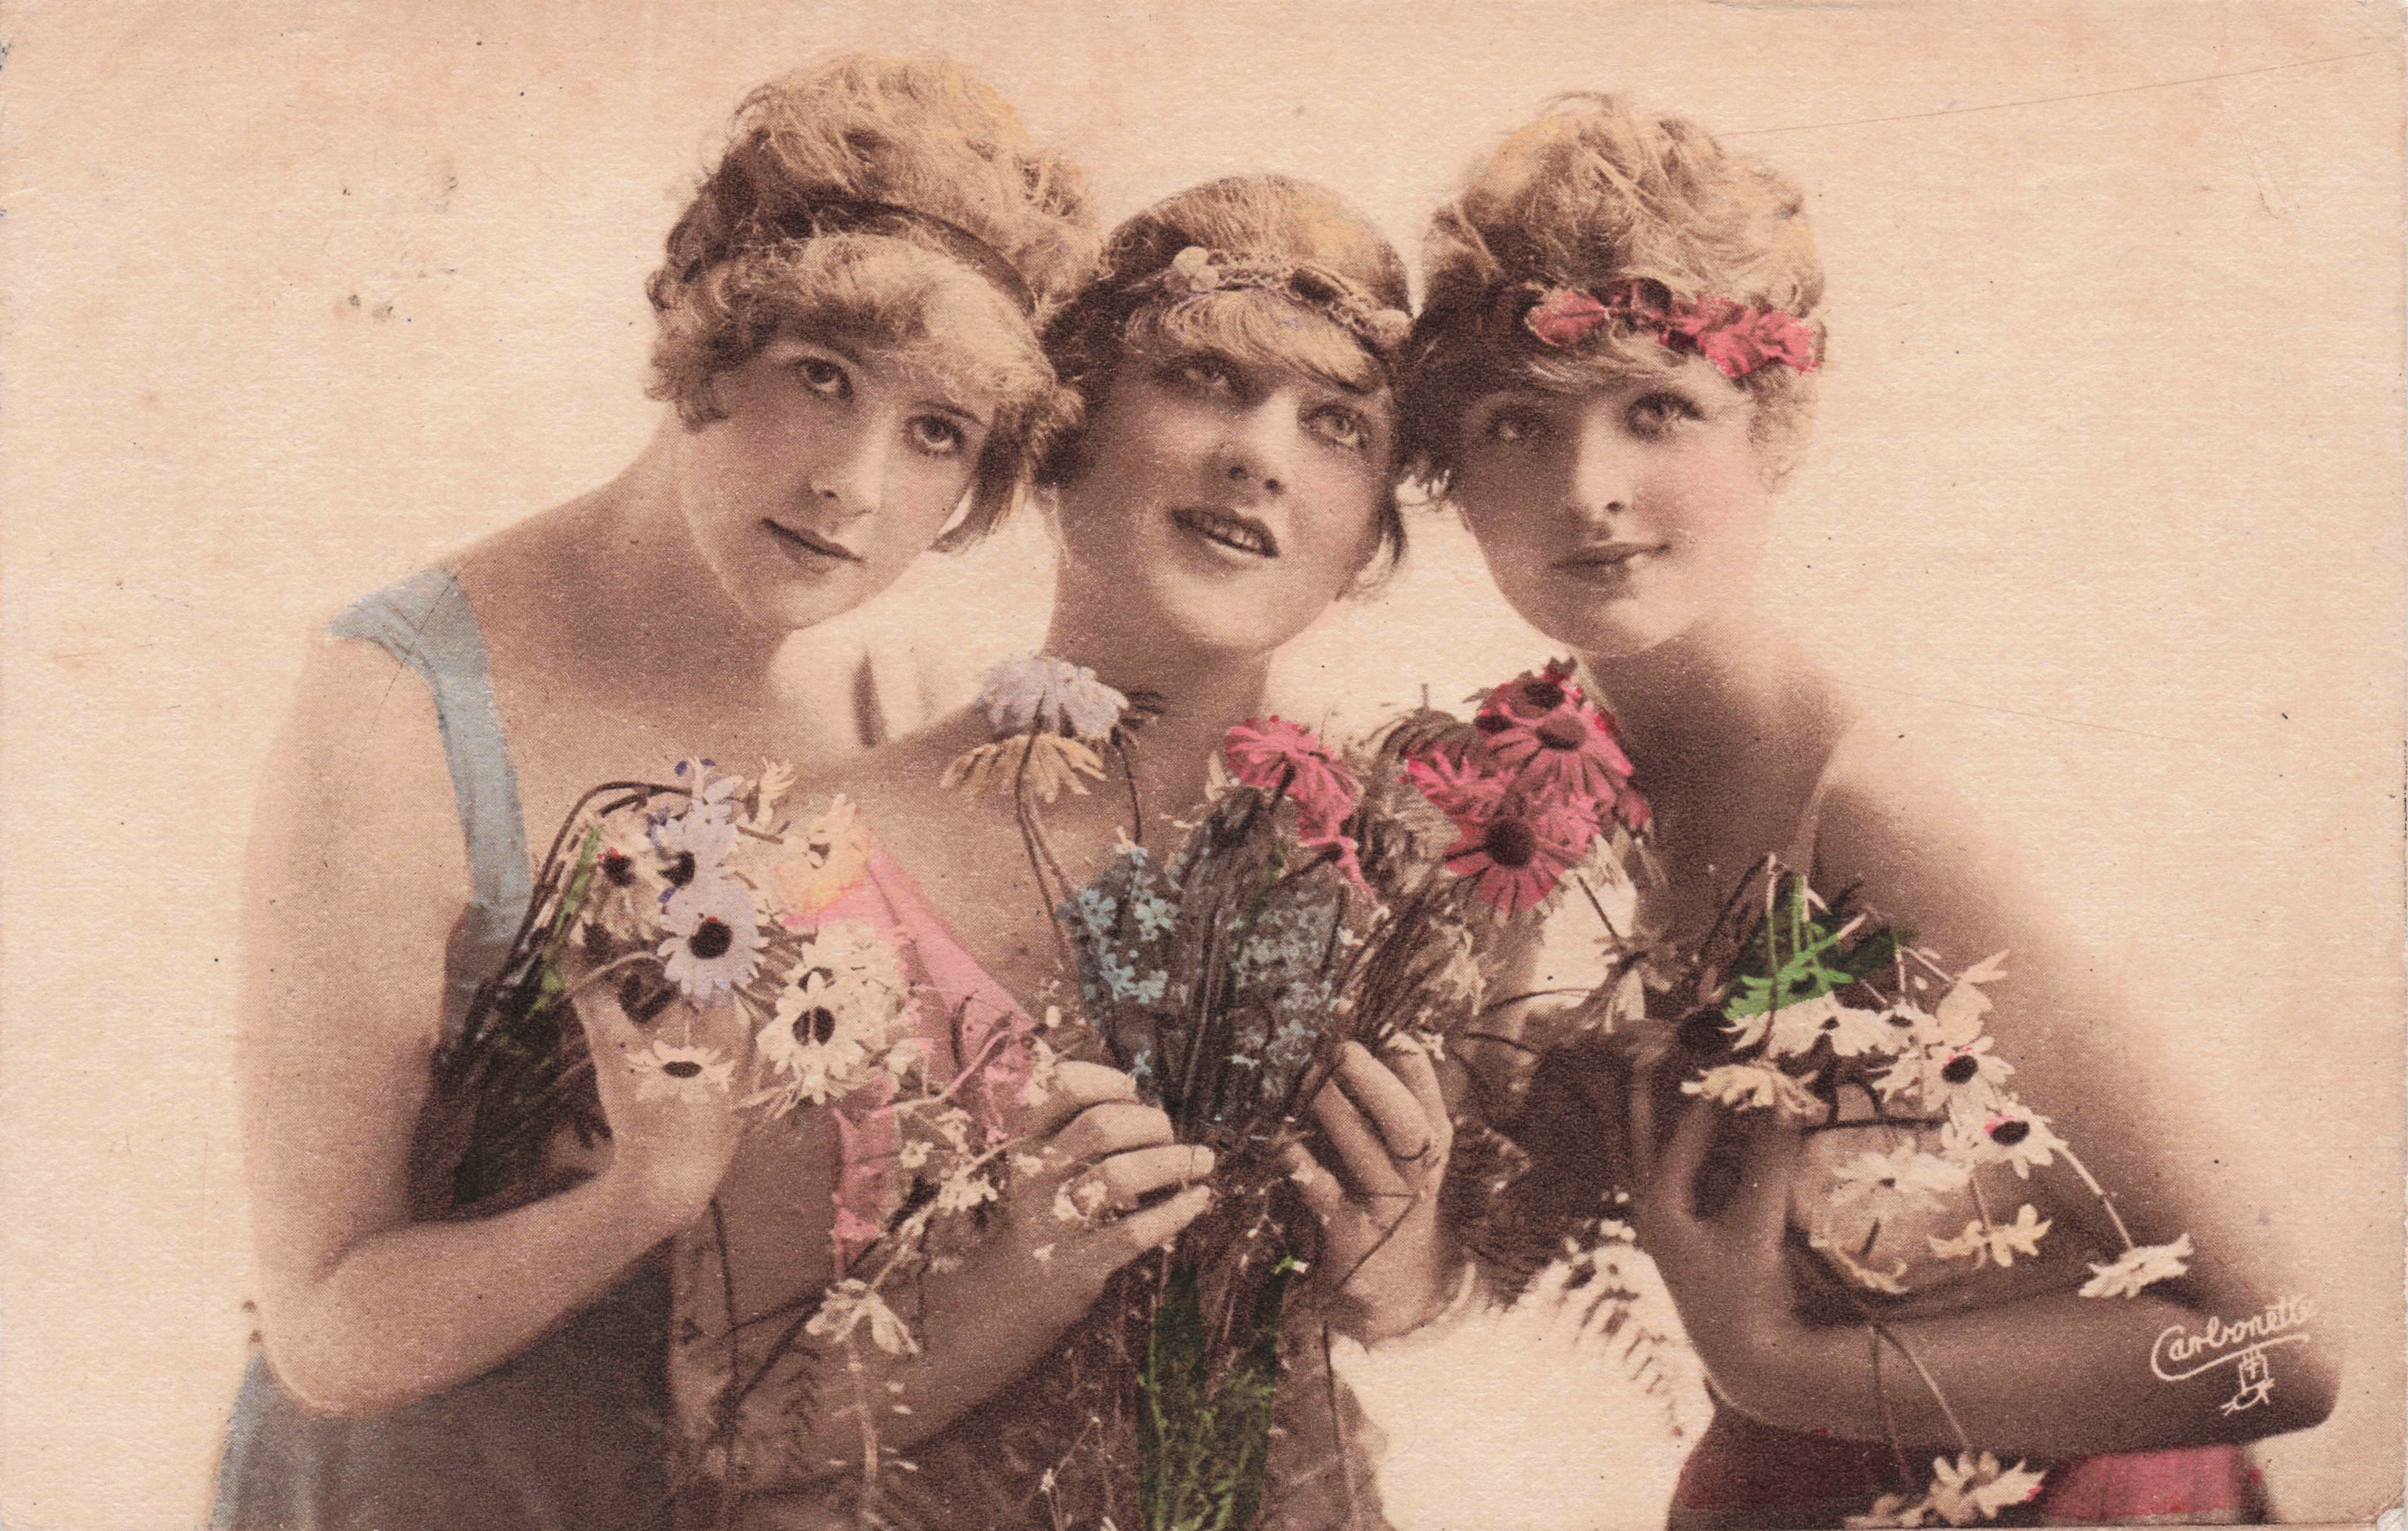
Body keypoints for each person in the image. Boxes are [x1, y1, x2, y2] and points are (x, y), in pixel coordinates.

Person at [1400, 96, 2338, 1527]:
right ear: (1450, 476)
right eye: (1517, 423)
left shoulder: (1873, 808)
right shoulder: (1529, 792)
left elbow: (2283, 1348)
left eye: (1660, 409)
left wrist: (1773, 1364)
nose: (1588, 491)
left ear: (1768, 427)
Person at [211, 55, 1097, 1531]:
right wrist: (639, 1198)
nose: (855, 482)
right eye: (822, 376)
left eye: (937, 431)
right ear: (706, 335)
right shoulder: (397, 707)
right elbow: (324, 1330)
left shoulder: (896, 696)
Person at [670, 174, 1459, 1530]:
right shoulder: (802, 870)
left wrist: (1400, 1260)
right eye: (1206, 380)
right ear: (1063, 428)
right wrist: (1017, 1275)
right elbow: (728, 1431)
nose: (1260, 457)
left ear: (1370, 534)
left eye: (1336, 425)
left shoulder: (1391, 859)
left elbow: (1411, 1298)